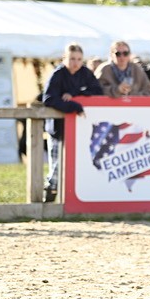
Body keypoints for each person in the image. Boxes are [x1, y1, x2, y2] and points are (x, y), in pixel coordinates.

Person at [42, 44, 103, 200]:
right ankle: (49, 196)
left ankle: (73, 198)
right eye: (72, 59)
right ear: (64, 59)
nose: (75, 63)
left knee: (79, 164)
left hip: (80, 128)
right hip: (58, 128)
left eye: (79, 59)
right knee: (56, 164)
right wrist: (73, 106)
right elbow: (48, 99)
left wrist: (75, 94)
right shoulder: (58, 74)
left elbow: (97, 91)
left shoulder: (85, 73)